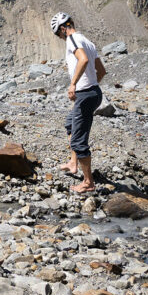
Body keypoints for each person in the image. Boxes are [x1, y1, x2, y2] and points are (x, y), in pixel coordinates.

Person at [51, 12, 106, 193]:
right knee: (71, 124)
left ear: (62, 29)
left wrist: (74, 84)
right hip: (93, 92)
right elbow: (102, 71)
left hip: (85, 94)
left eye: (59, 35)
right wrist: (91, 84)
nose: (60, 38)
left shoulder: (72, 39)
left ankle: (88, 182)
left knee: (79, 139)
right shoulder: (87, 41)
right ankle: (73, 163)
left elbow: (83, 59)